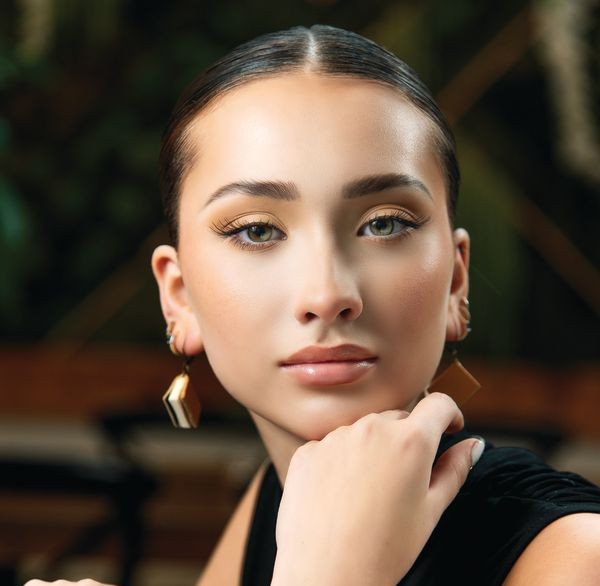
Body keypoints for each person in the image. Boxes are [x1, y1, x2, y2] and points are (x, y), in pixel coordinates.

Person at [26, 24, 600, 586]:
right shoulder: (281, 493)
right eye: (256, 231)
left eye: (384, 223)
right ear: (178, 297)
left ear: (455, 280)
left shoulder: (576, 555)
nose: (327, 295)